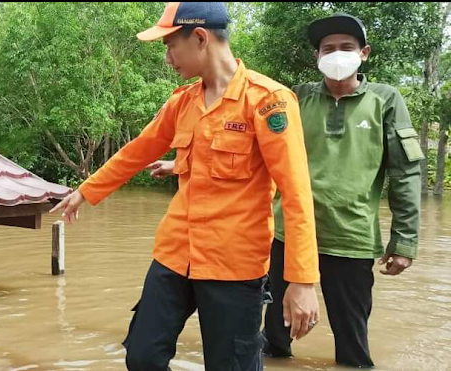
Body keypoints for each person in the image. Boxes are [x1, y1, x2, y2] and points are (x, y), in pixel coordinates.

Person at [50, 3, 321, 370]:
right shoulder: (183, 102)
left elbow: (296, 194)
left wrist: (302, 281)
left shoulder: (267, 102)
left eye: (170, 46)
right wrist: (86, 190)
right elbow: (137, 150)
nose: (167, 58)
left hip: (234, 266)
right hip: (175, 255)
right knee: (142, 356)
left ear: (199, 38)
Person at [148, 12, 425, 369]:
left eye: (346, 47)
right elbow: (252, 151)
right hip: (286, 235)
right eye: (328, 49)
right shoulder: (296, 99)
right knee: (272, 340)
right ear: (317, 57)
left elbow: (405, 174)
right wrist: (181, 164)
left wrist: (403, 242)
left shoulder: (384, 101)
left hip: (350, 236)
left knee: (352, 344)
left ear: (364, 53)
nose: (337, 55)